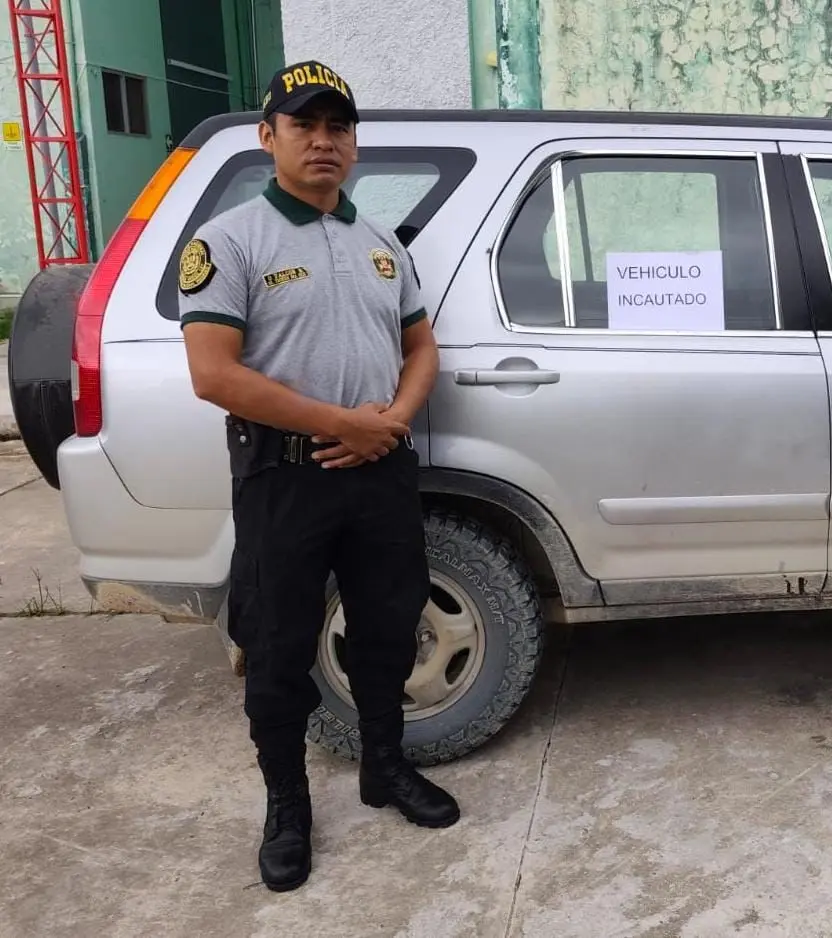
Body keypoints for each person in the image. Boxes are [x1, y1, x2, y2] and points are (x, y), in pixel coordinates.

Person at [179, 60, 457, 893]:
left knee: (385, 629)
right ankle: (287, 808)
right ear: (269, 137)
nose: (324, 141)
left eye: (339, 127)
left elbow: (421, 348)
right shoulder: (229, 242)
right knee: (277, 648)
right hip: (285, 480)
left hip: (379, 474)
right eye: (304, 125)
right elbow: (213, 374)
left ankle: (383, 768)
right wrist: (342, 425)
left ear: (355, 145)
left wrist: (392, 422)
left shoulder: (380, 245)